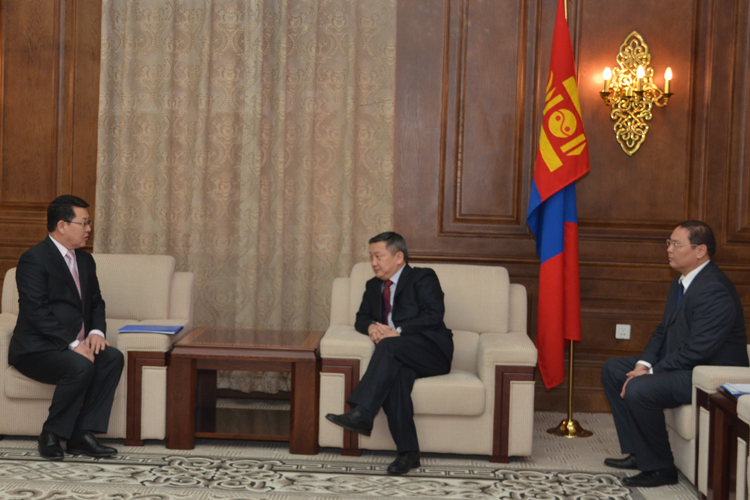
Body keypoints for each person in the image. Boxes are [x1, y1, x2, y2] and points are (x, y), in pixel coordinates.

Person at [601, 220, 748, 487]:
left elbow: (699, 349)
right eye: (668, 243)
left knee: (639, 388)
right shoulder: (680, 283)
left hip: (707, 373)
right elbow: (663, 330)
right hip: (685, 364)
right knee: (613, 369)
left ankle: (661, 469)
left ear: (700, 250)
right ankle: (639, 453)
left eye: (676, 244)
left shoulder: (714, 288)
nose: (669, 249)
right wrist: (644, 364)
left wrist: (650, 373)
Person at [325, 232, 453, 475]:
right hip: (397, 355)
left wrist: (398, 332)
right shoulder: (373, 285)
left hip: (431, 351)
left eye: (378, 256)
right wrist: (371, 327)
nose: (373, 263)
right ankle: (408, 454)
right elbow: (361, 317)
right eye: (371, 257)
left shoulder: (422, 277)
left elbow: (433, 314)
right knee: (396, 380)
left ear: (398, 257)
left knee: (388, 345)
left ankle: (363, 411)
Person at [8, 195, 124, 460]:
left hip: (72, 346)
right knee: (80, 365)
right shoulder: (34, 259)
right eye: (84, 223)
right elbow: (36, 312)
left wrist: (96, 333)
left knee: (112, 358)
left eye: (89, 223)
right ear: (62, 225)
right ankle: (50, 434)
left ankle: (81, 434)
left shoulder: (85, 260)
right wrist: (74, 344)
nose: (89, 229)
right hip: (37, 350)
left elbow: (96, 301)